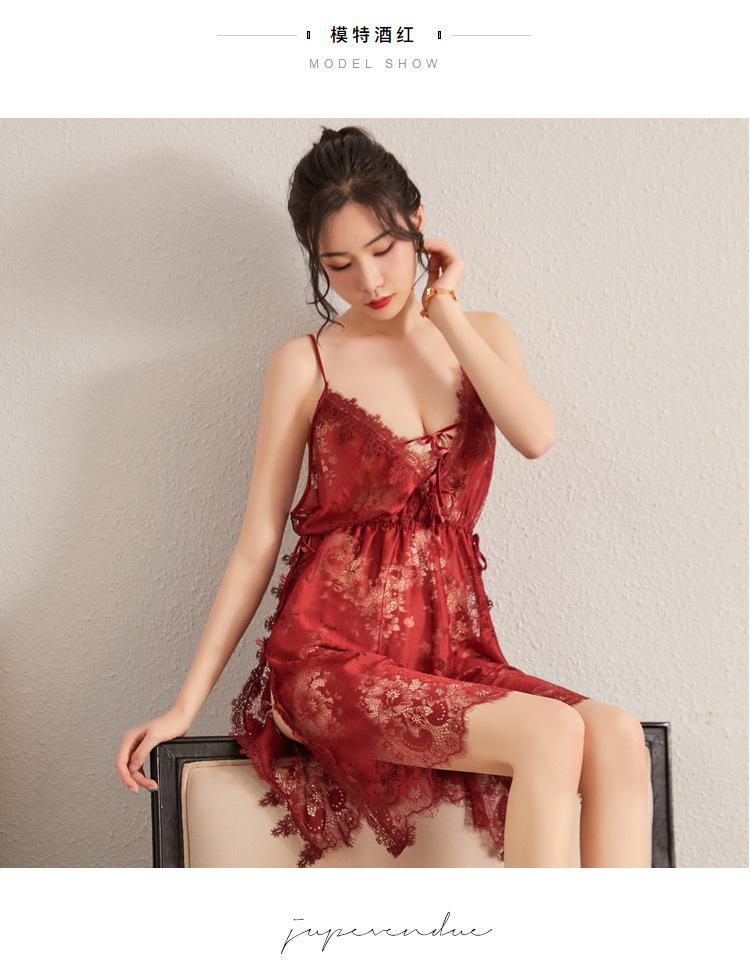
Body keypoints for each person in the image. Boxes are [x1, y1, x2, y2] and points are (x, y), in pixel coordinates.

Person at [116, 125, 652, 868]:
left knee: (617, 736)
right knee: (552, 732)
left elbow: (535, 436)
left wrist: (447, 310)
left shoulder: (482, 334)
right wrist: (184, 703)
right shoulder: (306, 363)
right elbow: (257, 542)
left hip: (447, 658)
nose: (368, 281)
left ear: (418, 224)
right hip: (326, 662)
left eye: (384, 249)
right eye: (338, 265)